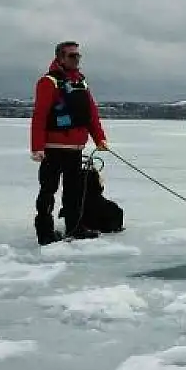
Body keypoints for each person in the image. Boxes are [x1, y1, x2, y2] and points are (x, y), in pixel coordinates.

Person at [30, 41, 109, 245]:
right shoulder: (48, 82)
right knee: (48, 190)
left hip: (75, 148)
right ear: (61, 58)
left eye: (78, 55)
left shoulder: (81, 82)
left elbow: (91, 114)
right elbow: (39, 116)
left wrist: (99, 138)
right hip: (52, 149)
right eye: (72, 56)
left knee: (74, 191)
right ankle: (44, 231)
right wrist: (37, 147)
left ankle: (75, 227)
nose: (77, 59)